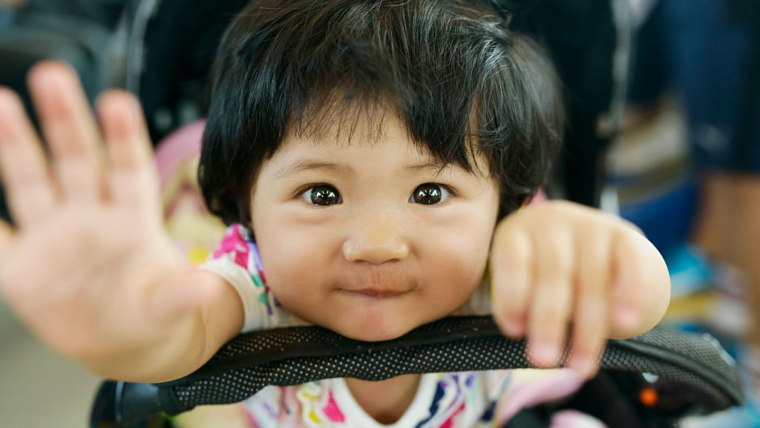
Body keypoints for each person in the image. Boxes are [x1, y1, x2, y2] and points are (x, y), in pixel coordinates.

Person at [0, 0, 671, 426]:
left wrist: (596, 248)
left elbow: (634, 310)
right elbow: (181, 332)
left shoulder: (498, 267)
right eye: (321, 194)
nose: (375, 244)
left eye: (430, 194)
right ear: (246, 204)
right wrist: (125, 330)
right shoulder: (255, 282)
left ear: (506, 204)